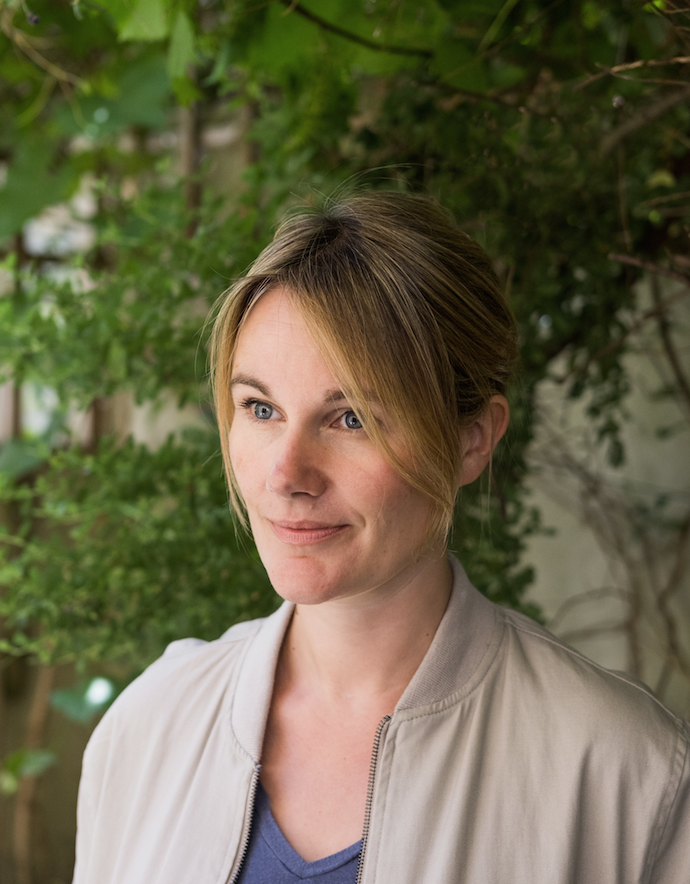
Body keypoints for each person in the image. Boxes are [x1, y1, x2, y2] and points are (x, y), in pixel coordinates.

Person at [73, 191, 690, 884]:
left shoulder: (621, 770)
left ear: (471, 440)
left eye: (351, 419)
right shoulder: (151, 724)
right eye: (261, 407)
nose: (286, 475)